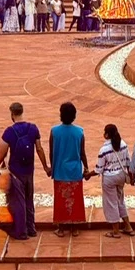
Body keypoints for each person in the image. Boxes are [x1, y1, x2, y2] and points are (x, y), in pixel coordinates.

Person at [0, 102, 46, 240]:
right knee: (29, 199)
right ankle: (31, 228)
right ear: (22, 112)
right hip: (29, 170)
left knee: (18, 201)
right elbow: (39, 149)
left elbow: (2, 152)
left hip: (15, 171)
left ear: (12, 114)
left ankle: (21, 231)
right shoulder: (33, 128)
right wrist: (46, 166)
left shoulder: (9, 132)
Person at [49, 101, 88, 237]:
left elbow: (52, 152)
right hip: (75, 170)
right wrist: (86, 168)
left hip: (60, 170)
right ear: (74, 116)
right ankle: (74, 228)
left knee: (60, 200)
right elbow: (82, 153)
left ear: (61, 114)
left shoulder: (54, 131)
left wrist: (52, 168)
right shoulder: (80, 132)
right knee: (75, 199)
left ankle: (61, 228)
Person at [95, 124, 134, 238]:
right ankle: (128, 227)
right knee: (120, 201)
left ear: (107, 134)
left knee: (111, 203)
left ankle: (115, 231)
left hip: (109, 178)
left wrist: (87, 174)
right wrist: (131, 177)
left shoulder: (104, 150)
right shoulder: (123, 144)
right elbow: (128, 162)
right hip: (121, 176)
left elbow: (99, 169)